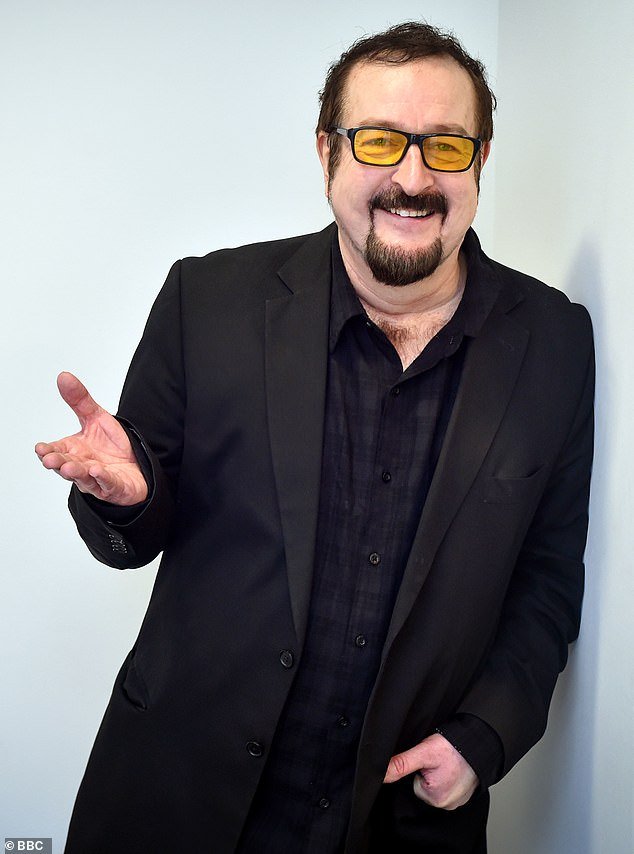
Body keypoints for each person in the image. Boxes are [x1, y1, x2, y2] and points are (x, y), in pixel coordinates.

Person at [36, 21, 594, 854]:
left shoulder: (554, 341)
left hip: (399, 820)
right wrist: (129, 501)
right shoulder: (207, 301)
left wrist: (484, 737)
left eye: (445, 146)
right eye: (379, 141)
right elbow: (131, 537)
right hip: (177, 798)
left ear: (480, 161)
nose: (412, 178)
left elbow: (548, 577)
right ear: (327, 152)